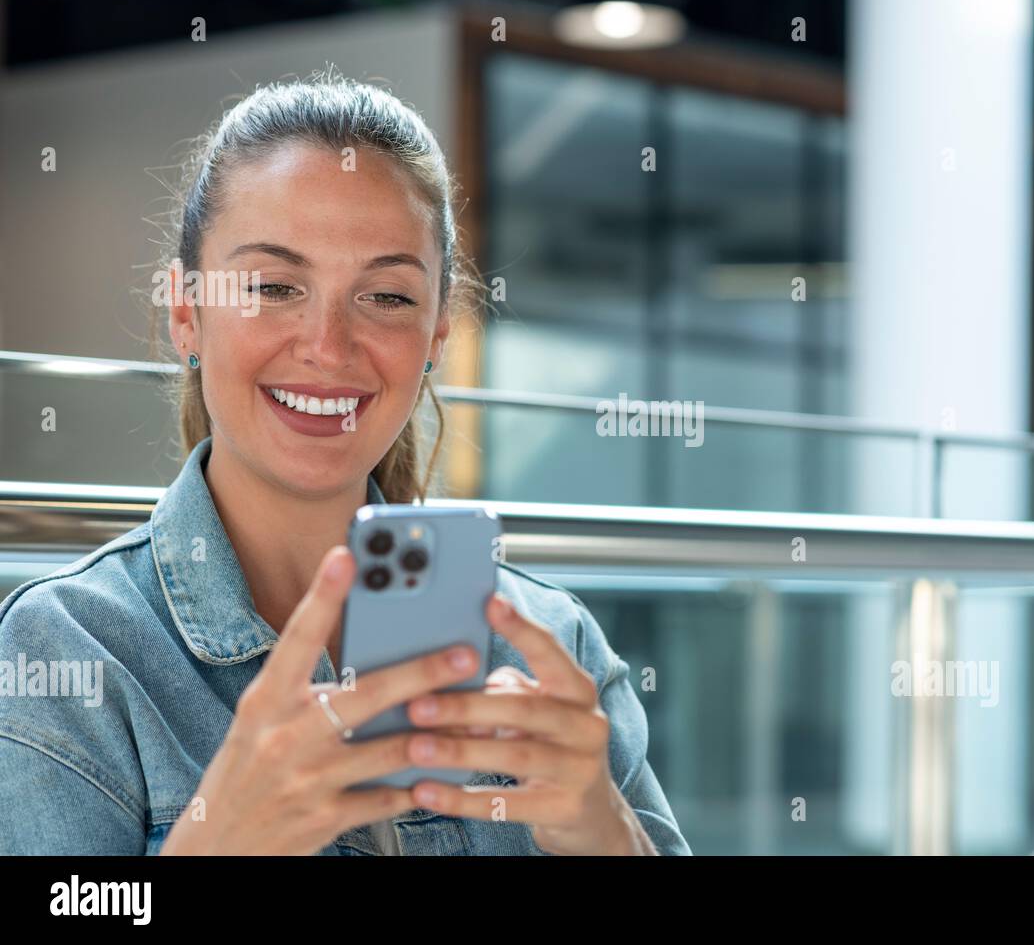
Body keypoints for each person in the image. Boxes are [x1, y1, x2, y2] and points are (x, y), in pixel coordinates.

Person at [0, 69, 690, 856]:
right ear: (186, 312)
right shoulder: (70, 651)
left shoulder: (551, 642)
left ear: (436, 338)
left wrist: (608, 834)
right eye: (272, 285)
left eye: (388, 297)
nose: (327, 347)